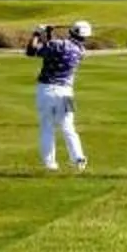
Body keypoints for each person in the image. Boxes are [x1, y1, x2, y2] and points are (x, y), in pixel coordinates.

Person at [27, 19, 92, 172]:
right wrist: (48, 33)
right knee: (69, 127)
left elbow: (31, 51)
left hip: (47, 90)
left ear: (71, 31)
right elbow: (53, 51)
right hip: (67, 93)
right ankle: (78, 159)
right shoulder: (81, 51)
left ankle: (50, 164)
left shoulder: (58, 44)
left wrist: (37, 32)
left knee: (47, 127)